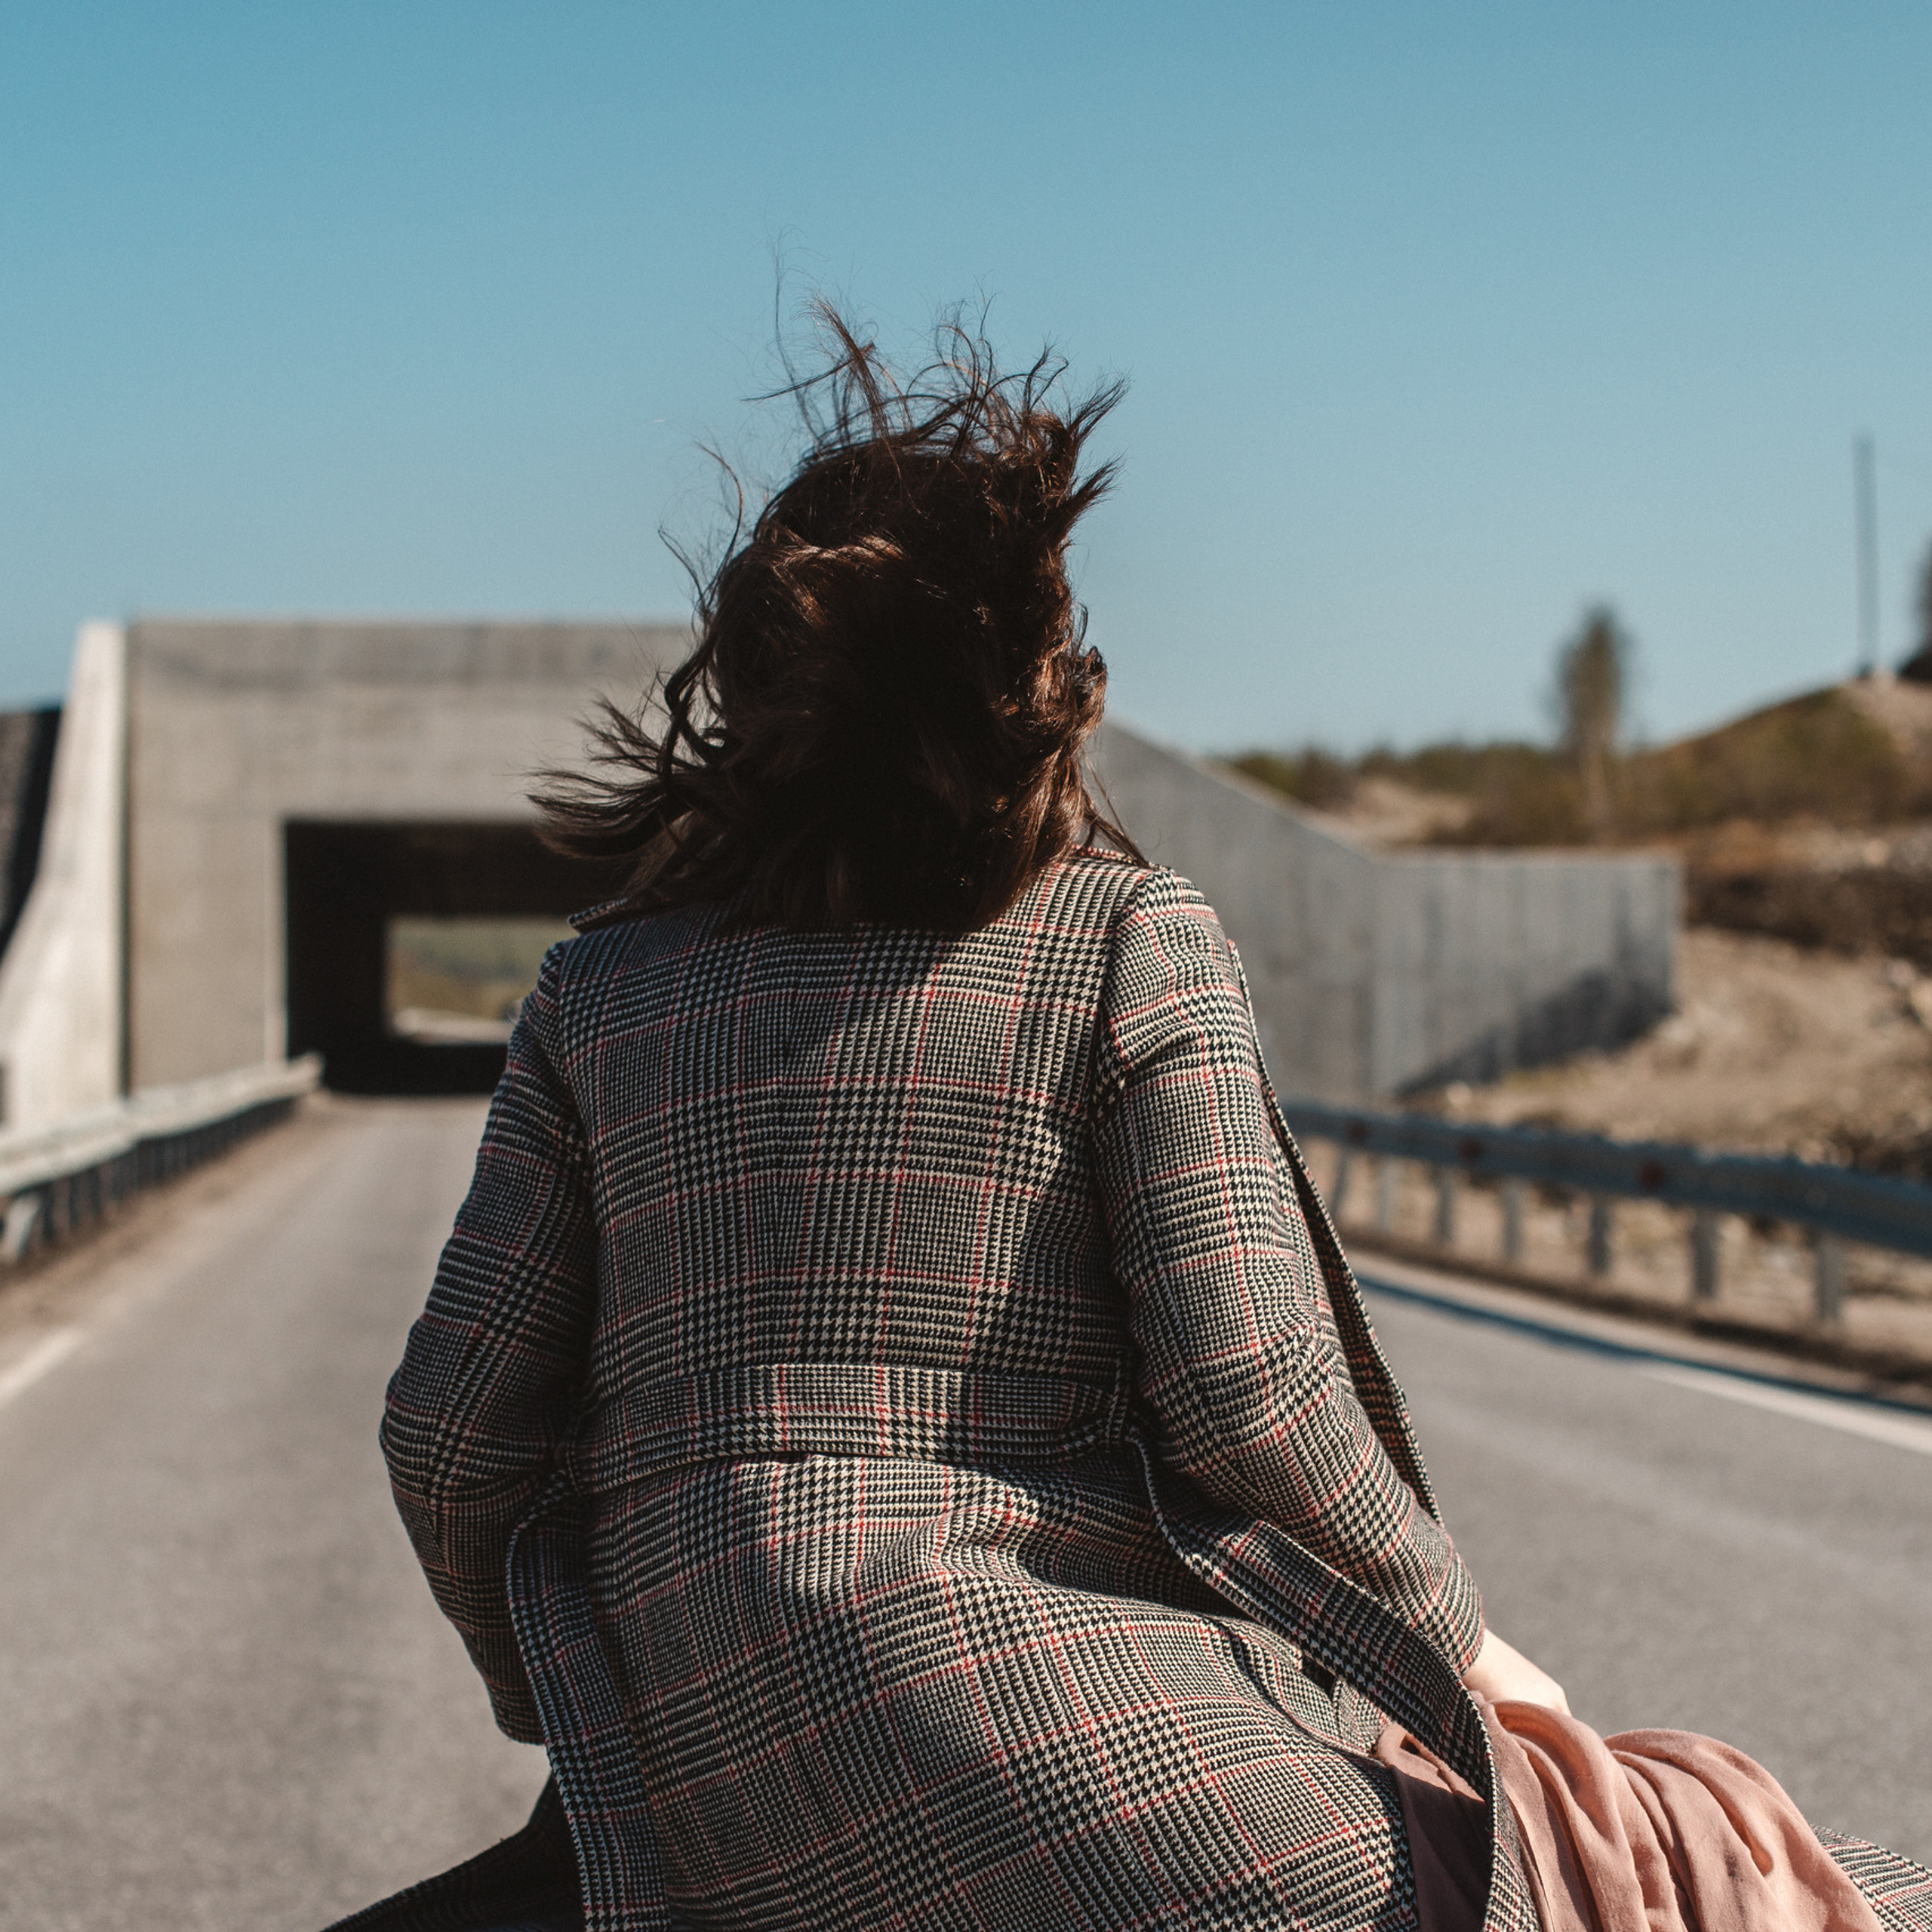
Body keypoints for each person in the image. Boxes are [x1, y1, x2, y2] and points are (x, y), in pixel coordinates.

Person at [336, 315, 1932, 1932]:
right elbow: (1255, 1401)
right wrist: (1462, 1644)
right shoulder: (1118, 940)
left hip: (700, 1778)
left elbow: (450, 1440)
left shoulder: (599, 992)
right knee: (1721, 1875)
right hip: (1069, 1747)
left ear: (748, 699)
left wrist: (602, 1700)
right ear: (1036, 685)